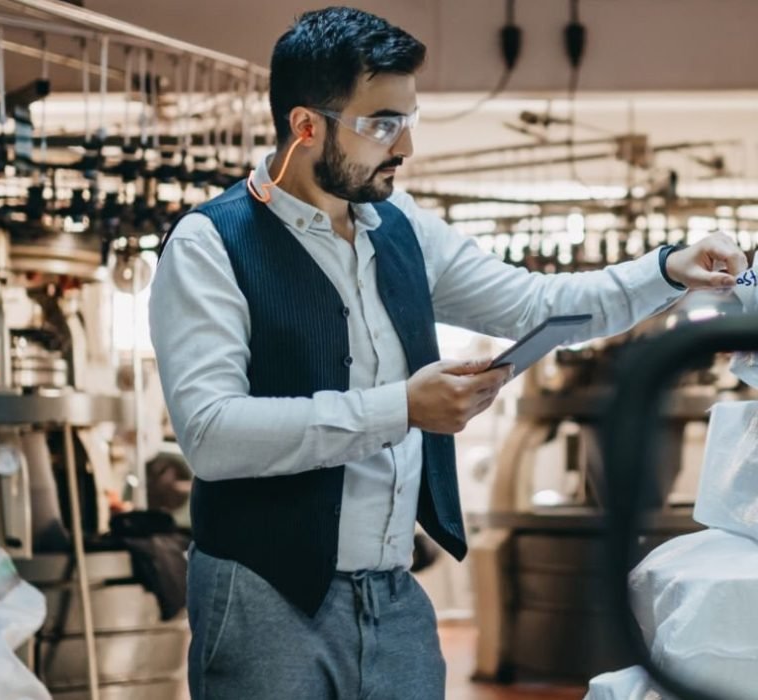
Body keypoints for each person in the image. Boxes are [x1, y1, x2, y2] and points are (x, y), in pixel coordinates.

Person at [148, 6, 747, 699]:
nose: (403, 146)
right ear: (305, 126)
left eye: (409, 118)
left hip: (394, 598)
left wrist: (667, 268)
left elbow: (536, 304)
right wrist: (404, 407)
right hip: (262, 599)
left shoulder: (403, 230)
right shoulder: (210, 244)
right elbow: (212, 435)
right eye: (380, 124)